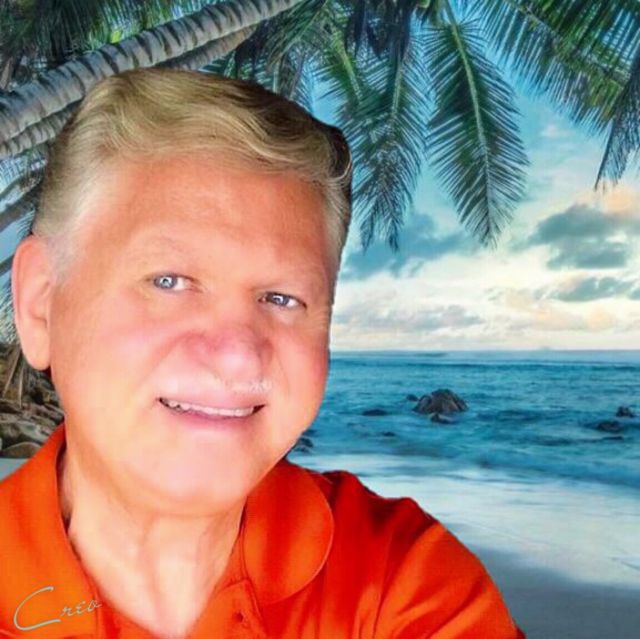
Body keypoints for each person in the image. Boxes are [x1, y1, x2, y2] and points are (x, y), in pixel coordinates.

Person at [0, 68, 525, 639]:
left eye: (281, 298)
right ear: (41, 305)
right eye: (169, 281)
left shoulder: (399, 578)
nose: (238, 357)